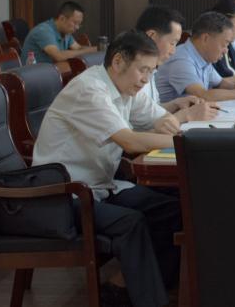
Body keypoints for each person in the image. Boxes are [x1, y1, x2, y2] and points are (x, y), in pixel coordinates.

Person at [32, 31, 182, 307]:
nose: (146, 79)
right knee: (131, 222)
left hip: (100, 185)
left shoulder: (125, 87)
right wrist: (184, 142)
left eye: (151, 72)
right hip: (64, 195)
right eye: (143, 70)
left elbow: (158, 117)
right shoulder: (89, 90)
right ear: (118, 61)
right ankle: (149, 300)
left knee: (174, 209)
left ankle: (136, 287)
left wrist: (169, 123)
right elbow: (130, 141)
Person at [134, 4, 218, 124]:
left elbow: (148, 113)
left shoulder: (151, 70)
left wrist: (174, 104)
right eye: (172, 43)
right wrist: (184, 116)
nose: (173, 51)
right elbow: (133, 128)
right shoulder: (131, 73)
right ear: (151, 36)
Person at [155, 12, 235, 103]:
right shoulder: (181, 59)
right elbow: (204, 95)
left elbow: (220, 83)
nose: (226, 50)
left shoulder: (202, 57)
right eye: (225, 44)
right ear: (206, 38)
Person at [22, 1, 95, 66]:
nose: (77, 27)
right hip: (33, 74)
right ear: (62, 18)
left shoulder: (66, 32)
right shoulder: (43, 30)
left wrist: (98, 49)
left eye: (79, 24)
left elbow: (78, 48)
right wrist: (87, 51)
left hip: (53, 71)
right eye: (75, 23)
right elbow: (58, 56)